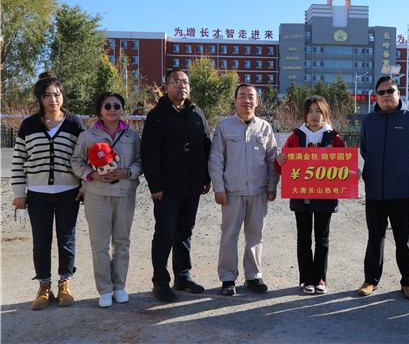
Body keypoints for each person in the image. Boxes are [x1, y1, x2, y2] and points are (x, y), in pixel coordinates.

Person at [11, 72, 85, 310]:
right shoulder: (29, 124)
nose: (53, 99)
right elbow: (18, 160)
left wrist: (84, 186)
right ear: (40, 98)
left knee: (66, 239)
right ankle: (44, 287)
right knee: (41, 241)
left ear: (62, 96)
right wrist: (19, 192)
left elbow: (84, 158)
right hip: (37, 193)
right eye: (47, 95)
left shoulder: (74, 123)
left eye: (57, 94)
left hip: (69, 192)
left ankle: (65, 284)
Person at [358, 76, 409, 300]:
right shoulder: (369, 121)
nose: (386, 95)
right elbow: (365, 150)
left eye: (390, 91)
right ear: (376, 96)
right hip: (375, 192)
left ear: (398, 94)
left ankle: (407, 282)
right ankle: (370, 280)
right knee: (375, 237)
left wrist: (408, 170)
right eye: (381, 92)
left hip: (403, 191)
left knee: (404, 238)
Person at [141, 70, 212, 302]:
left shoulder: (196, 113)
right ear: (167, 86)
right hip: (167, 188)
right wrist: (155, 185)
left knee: (185, 233)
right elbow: (149, 154)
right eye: (177, 82)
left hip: (192, 186)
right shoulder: (157, 116)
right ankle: (160, 282)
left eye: (186, 82)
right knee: (164, 234)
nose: (182, 86)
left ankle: (183, 276)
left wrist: (206, 178)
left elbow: (206, 146)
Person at [71, 92, 142, 307]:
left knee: (122, 243)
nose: (112, 109)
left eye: (117, 105)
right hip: (96, 195)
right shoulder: (88, 135)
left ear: (122, 109)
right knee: (99, 245)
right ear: (100, 110)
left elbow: (141, 162)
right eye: (107, 106)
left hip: (124, 195)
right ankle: (104, 289)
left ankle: (119, 286)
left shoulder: (132, 135)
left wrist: (127, 172)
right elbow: (76, 162)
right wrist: (92, 175)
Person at [208, 83, 279, 296]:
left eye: (251, 97)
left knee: (255, 235)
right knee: (229, 235)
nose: (246, 100)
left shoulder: (265, 128)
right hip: (232, 192)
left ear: (257, 102)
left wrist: (272, 186)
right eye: (242, 96)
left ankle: (253, 277)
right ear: (236, 100)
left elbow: (272, 160)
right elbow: (216, 159)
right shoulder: (224, 127)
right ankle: (228, 278)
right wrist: (218, 188)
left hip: (258, 191)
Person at [275, 96, 346, 295]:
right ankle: (307, 279)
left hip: (325, 195)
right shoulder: (296, 136)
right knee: (303, 238)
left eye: (318, 111)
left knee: (322, 238)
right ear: (305, 114)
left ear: (325, 113)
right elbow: (285, 168)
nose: (314, 115)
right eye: (310, 111)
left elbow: (343, 168)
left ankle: (320, 278)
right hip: (301, 196)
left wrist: (352, 173)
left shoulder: (334, 138)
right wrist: (279, 162)